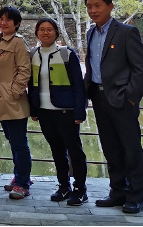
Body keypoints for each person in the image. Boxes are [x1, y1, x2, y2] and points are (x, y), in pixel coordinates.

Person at [83, 0, 143, 214]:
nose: (93, 10)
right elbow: (92, 66)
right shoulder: (91, 33)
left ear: (110, 6)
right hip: (99, 97)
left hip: (122, 99)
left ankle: (135, 196)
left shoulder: (127, 32)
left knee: (131, 148)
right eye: (89, 7)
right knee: (110, 148)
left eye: (97, 5)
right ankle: (117, 192)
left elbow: (140, 68)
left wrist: (130, 97)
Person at [28, 17, 88, 205]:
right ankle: (64, 186)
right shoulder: (33, 54)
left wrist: (80, 111)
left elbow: (78, 85)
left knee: (75, 151)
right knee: (57, 150)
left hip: (66, 110)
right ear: (37, 33)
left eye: (49, 29)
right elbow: (31, 85)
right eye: (42, 29)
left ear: (56, 32)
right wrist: (33, 108)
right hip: (44, 111)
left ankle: (80, 189)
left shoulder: (66, 54)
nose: (45, 32)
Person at [0, 6, 32, 200]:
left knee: (19, 142)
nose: (3, 22)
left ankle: (23, 183)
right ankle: (19, 176)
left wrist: (14, 92)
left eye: (7, 19)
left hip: (13, 100)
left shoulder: (18, 43)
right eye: (0, 19)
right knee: (12, 140)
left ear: (17, 23)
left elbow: (25, 70)